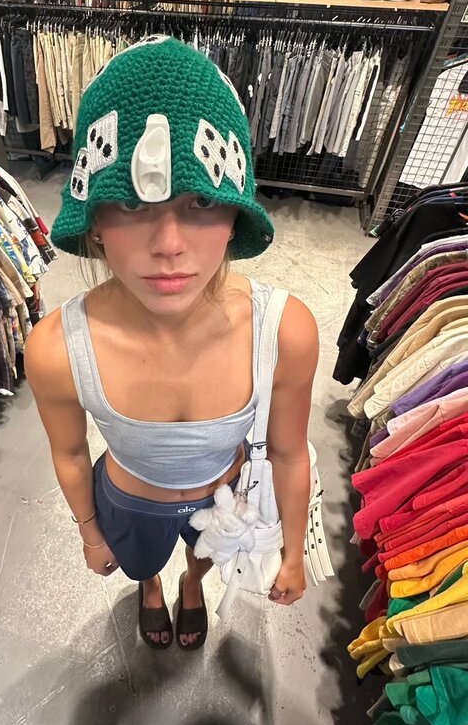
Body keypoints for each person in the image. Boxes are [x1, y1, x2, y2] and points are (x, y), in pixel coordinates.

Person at [25, 37, 318, 651]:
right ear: (95, 222)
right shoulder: (58, 349)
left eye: (203, 201)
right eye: (131, 202)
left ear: (235, 216)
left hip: (227, 500)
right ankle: (151, 585)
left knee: (202, 555)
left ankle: (190, 584)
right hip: (130, 502)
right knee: (141, 561)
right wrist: (90, 532)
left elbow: (290, 455)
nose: (169, 245)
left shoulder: (283, 331)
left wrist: (293, 552)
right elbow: (71, 453)